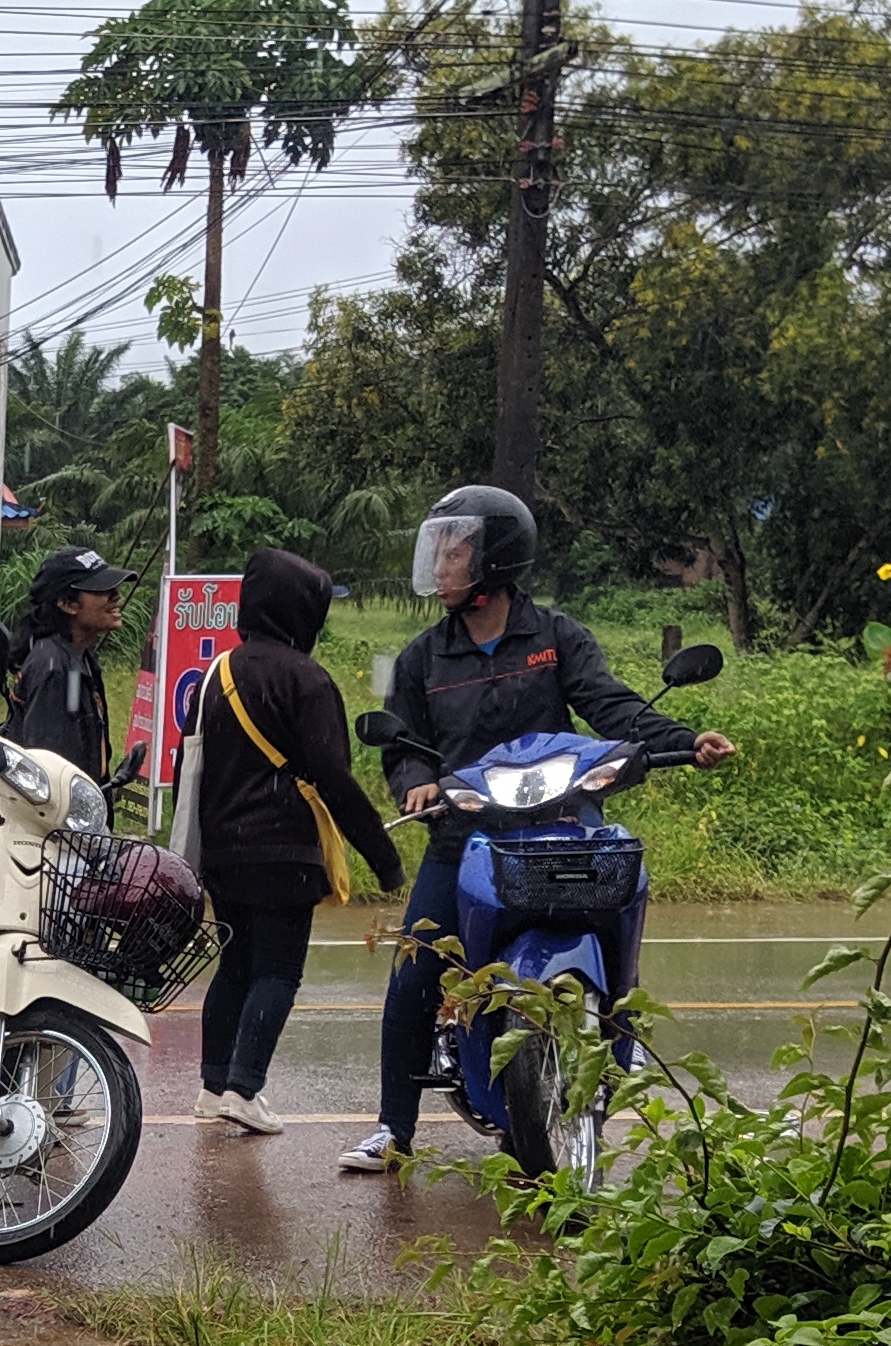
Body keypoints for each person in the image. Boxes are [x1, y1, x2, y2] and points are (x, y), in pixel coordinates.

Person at [342, 484, 736, 1174]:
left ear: (493, 559)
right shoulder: (422, 658)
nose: (440, 564)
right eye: (438, 550)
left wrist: (682, 741)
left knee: (617, 938)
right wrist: (416, 783)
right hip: (465, 835)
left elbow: (611, 706)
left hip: (563, 825)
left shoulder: (556, 639)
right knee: (414, 972)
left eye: (454, 551)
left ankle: (615, 1041)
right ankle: (392, 1129)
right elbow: (403, 747)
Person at [189, 546, 400, 1136]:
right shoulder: (307, 679)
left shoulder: (216, 674)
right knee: (278, 971)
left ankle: (212, 1087)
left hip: (222, 850)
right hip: (285, 850)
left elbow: (193, 764)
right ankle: (244, 1088)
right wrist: (382, 857)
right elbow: (333, 777)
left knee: (235, 965)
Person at [0, 547, 126, 821]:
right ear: (68, 604)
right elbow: (48, 772)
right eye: (101, 589)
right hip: (57, 833)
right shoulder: (52, 667)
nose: (115, 596)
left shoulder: (78, 658)